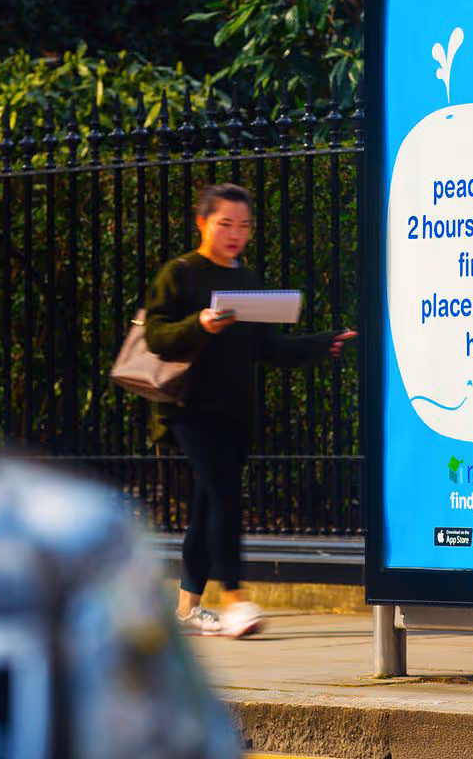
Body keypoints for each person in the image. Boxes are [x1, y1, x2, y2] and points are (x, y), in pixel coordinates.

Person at [144, 183, 355, 638]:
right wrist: (198, 323)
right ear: (202, 223)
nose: (235, 234)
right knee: (223, 493)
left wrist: (322, 345)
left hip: (234, 411)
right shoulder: (180, 274)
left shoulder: (248, 280)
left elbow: (267, 346)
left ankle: (186, 610)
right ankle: (235, 599)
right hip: (188, 409)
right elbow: (156, 337)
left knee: (207, 504)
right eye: (225, 224)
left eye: (244, 226)